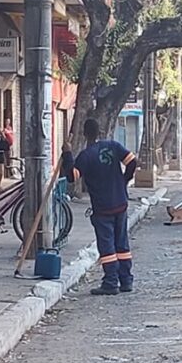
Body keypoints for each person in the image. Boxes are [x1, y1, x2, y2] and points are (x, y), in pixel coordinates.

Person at [62, 118, 138, 296]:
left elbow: (72, 177)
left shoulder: (86, 155)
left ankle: (111, 282)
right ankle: (126, 281)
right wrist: (124, 180)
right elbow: (133, 161)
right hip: (120, 204)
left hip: (103, 208)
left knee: (107, 247)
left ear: (85, 134)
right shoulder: (113, 146)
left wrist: (67, 155)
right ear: (100, 131)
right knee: (122, 244)